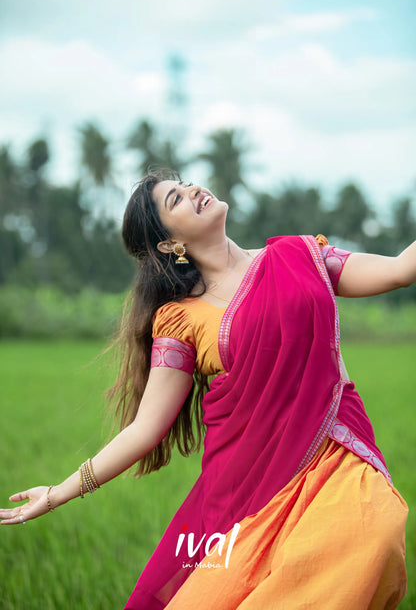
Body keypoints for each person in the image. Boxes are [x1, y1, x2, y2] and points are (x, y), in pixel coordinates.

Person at [0, 168, 414, 610]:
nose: (194, 190)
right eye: (176, 198)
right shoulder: (181, 319)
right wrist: (62, 491)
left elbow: (399, 271)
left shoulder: (302, 256)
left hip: (336, 456)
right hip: (247, 495)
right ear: (168, 244)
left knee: (373, 538)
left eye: (187, 184)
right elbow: (146, 428)